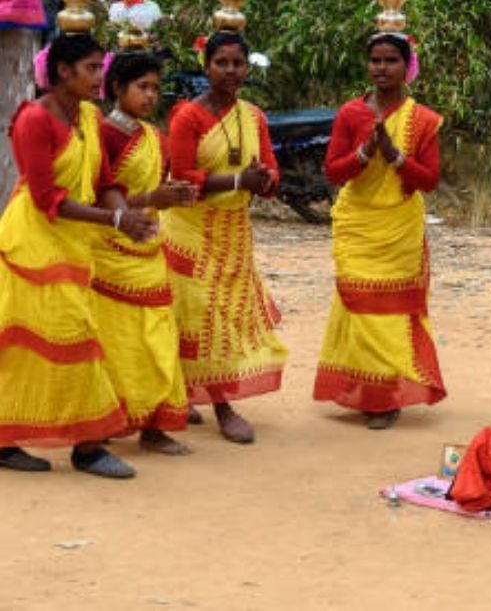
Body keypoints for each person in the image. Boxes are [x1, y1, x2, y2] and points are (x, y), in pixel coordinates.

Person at [0, 34, 156, 477]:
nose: (99, 77)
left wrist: (128, 216)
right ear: (63, 72)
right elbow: (50, 199)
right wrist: (117, 223)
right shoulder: (35, 119)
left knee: (55, 341)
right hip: (34, 245)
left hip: (75, 244)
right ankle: (87, 447)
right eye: (90, 68)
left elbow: (106, 181)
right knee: (62, 338)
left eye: (99, 67)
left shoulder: (88, 114)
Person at [313, 32, 446, 429]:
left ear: (407, 67)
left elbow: (430, 180)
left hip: (398, 227)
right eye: (375, 60)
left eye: (390, 60)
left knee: (388, 311)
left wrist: (394, 155)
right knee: (358, 303)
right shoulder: (351, 113)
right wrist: (365, 153)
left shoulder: (422, 119)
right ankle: (364, 388)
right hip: (357, 223)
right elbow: (334, 170)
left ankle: (385, 396)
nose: (381, 68)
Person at [161, 31, 287, 444]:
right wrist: (238, 178)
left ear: (247, 68)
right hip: (191, 230)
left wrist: (266, 181)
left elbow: (269, 170)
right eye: (222, 63)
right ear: (206, 66)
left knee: (226, 316)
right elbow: (181, 179)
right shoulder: (188, 117)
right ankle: (222, 405)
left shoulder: (254, 116)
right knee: (200, 315)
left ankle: (186, 391)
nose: (231, 71)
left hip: (235, 234)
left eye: (238, 63)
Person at [91, 51, 196, 455]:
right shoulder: (103, 135)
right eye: (142, 87)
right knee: (115, 343)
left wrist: (172, 198)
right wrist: (153, 197)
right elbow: (96, 199)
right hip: (109, 252)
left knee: (157, 338)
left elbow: (153, 197)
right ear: (117, 89)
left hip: (149, 250)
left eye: (155, 88)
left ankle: (155, 424)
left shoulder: (154, 137)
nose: (151, 96)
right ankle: (103, 422)